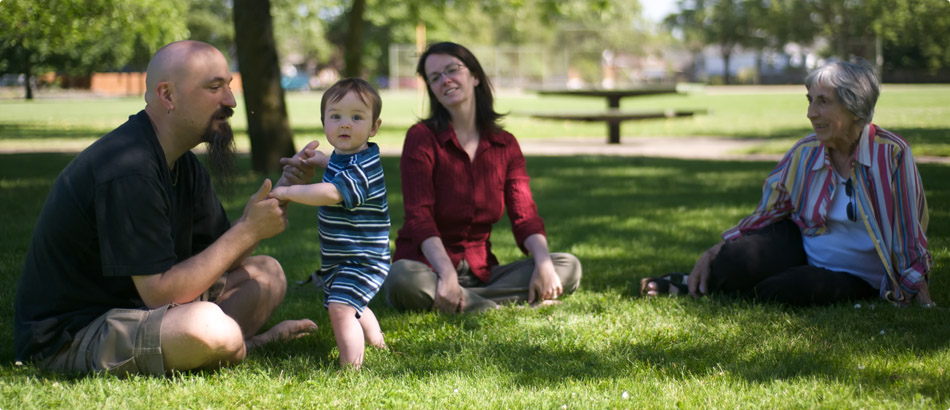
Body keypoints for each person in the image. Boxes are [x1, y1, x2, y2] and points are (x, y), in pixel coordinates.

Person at [13, 40, 316, 376]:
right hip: (75, 334)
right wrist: (247, 229)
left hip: (137, 308)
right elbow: (159, 293)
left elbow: (226, 257)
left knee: (267, 273)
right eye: (215, 87)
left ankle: (223, 346)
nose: (230, 101)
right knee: (210, 327)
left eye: (228, 87)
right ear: (167, 96)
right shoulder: (127, 168)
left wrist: (274, 201)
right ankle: (240, 344)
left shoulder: (182, 163)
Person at [641, 59, 933, 307]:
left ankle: (709, 289)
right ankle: (693, 282)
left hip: (859, 276)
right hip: (803, 248)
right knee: (738, 258)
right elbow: (768, 212)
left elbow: (909, 228)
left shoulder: (891, 153)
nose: (810, 113)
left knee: (792, 287)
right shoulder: (805, 152)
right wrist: (719, 250)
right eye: (809, 101)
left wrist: (916, 288)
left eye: (823, 102)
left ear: (855, 107)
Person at [382, 42, 582, 313]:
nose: (445, 80)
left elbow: (525, 217)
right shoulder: (421, 138)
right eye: (435, 77)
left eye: (452, 70)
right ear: (431, 89)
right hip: (428, 267)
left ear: (475, 76)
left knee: (567, 266)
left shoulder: (505, 144)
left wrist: (544, 265)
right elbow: (419, 218)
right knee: (401, 278)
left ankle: (462, 300)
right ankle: (492, 307)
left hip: (482, 272)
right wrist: (448, 274)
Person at [269, 78, 390, 369]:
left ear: (374, 127)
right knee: (353, 304)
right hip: (343, 257)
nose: (345, 124)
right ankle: (378, 344)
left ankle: (350, 369)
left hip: (364, 260)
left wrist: (287, 191)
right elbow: (336, 167)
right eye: (336, 116)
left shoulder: (365, 168)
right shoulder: (346, 157)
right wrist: (322, 160)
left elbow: (331, 193)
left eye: (357, 117)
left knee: (341, 308)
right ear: (323, 121)